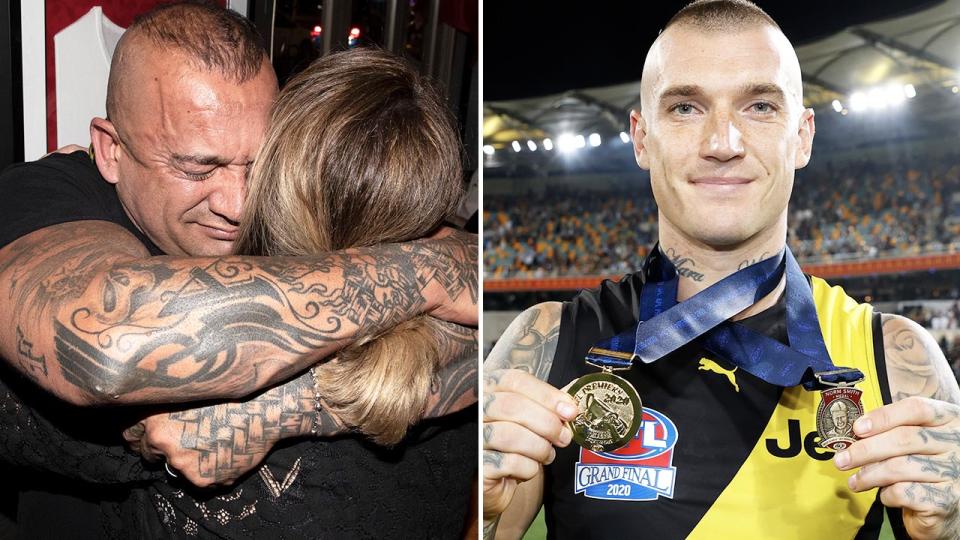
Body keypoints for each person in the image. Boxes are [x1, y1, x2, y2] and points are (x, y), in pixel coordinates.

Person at [482, 1, 960, 539]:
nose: (722, 144)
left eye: (759, 106)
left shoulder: (897, 360)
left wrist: (948, 528)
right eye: (686, 108)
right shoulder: (544, 346)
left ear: (802, 136)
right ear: (641, 138)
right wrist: (477, 509)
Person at [0, 2, 476, 538]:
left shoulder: (290, 220)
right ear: (111, 151)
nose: (238, 202)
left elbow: (490, 330)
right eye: (198, 167)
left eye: (259, 164)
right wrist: (430, 271)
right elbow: (107, 338)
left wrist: (287, 405)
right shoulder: (48, 196)